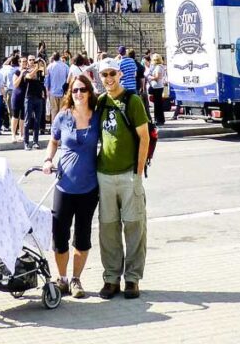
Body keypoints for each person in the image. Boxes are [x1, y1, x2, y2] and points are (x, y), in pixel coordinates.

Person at [43, 72, 100, 299]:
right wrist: (48, 159)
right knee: (59, 234)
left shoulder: (97, 117)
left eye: (82, 90)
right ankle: (62, 278)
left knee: (83, 235)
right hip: (64, 186)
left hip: (89, 187)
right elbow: (54, 140)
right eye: (74, 90)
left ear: (89, 92)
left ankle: (76, 279)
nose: (78, 94)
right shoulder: (63, 117)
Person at [96, 58, 149, 299]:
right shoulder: (100, 102)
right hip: (105, 175)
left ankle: (132, 278)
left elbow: (144, 137)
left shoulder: (133, 100)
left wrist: (138, 173)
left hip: (129, 174)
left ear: (119, 75)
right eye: (104, 74)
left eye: (112, 74)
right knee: (108, 229)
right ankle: (111, 277)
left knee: (134, 226)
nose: (108, 78)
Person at [23, 55, 46, 150]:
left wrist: (43, 63)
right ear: (27, 61)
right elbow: (29, 76)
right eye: (30, 60)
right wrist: (36, 68)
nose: (32, 61)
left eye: (33, 60)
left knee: (37, 120)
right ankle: (26, 142)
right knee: (27, 120)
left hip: (38, 98)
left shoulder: (39, 71)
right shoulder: (25, 71)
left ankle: (35, 142)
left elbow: (45, 74)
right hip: (29, 97)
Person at [46, 51, 70, 121]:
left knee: (54, 111)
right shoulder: (65, 66)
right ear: (59, 57)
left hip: (53, 92)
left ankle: (54, 129)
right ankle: (61, 128)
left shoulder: (50, 66)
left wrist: (47, 90)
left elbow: (47, 80)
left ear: (53, 58)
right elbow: (68, 78)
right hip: (63, 92)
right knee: (62, 111)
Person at [11, 55, 29, 142]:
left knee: (23, 117)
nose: (24, 63)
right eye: (23, 61)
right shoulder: (17, 72)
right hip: (17, 96)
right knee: (15, 116)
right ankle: (13, 134)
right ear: (19, 63)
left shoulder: (28, 72)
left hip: (25, 97)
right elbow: (15, 84)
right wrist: (21, 74)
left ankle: (21, 134)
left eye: (26, 61)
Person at [148, 53, 168, 126]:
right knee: (158, 104)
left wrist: (150, 77)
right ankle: (160, 119)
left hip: (157, 87)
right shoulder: (160, 66)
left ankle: (158, 120)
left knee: (157, 104)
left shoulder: (158, 67)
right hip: (158, 86)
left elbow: (157, 77)